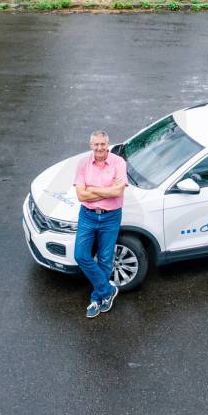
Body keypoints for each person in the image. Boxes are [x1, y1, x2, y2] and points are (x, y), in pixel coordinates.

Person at [73, 130, 127, 318]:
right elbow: (81, 195)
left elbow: (117, 192)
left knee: (105, 259)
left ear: (108, 144)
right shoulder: (83, 164)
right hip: (87, 215)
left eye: (103, 144)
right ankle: (108, 290)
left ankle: (97, 298)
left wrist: (93, 190)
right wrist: (107, 190)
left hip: (111, 216)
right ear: (91, 146)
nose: (100, 148)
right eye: (96, 145)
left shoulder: (119, 163)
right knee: (80, 255)